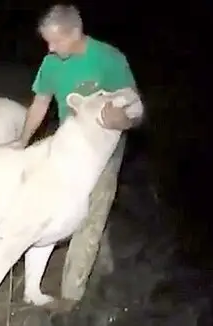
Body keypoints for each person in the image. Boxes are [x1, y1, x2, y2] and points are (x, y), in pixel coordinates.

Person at [18, 4, 144, 305]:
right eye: (47, 41)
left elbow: (136, 106)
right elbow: (40, 104)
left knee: (89, 214)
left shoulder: (108, 59)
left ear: (76, 32)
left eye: (56, 40)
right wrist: (20, 143)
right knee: (81, 208)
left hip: (103, 150)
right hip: (68, 146)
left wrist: (125, 120)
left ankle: (70, 299)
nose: (50, 47)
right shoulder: (51, 63)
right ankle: (105, 264)